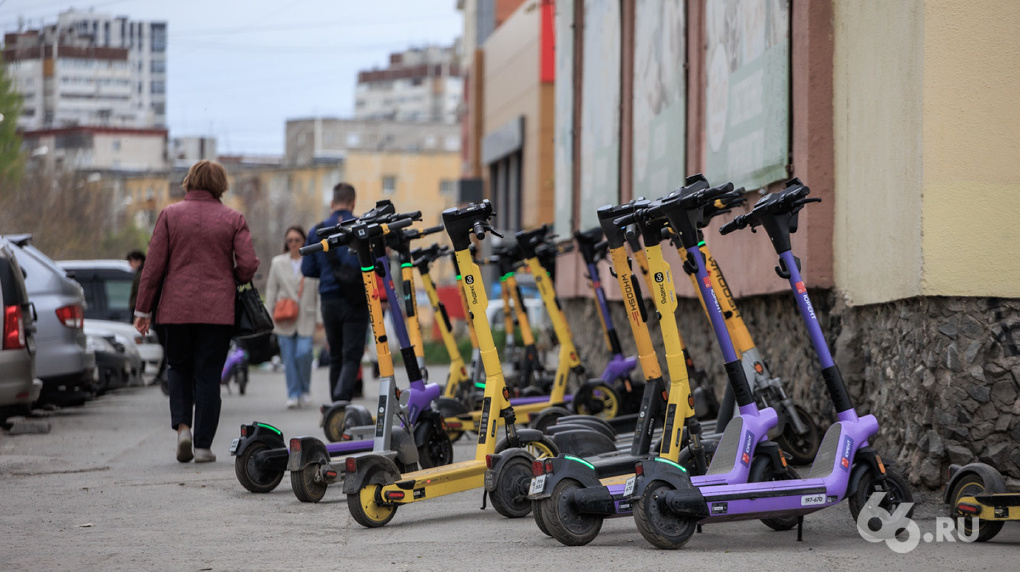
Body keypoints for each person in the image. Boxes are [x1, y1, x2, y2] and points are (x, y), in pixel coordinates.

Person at [134, 160, 259, 464]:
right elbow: (248, 264)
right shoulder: (233, 218)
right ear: (221, 185)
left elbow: (153, 266)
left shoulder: (169, 215)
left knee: (178, 368)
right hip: (217, 311)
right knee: (208, 375)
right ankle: (203, 446)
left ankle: (183, 430)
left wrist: (143, 309)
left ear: (189, 181)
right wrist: (233, 278)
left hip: (175, 309)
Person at [302, 183, 368, 403]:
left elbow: (308, 270)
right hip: (356, 300)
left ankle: (335, 410)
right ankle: (342, 400)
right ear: (353, 203)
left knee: (336, 355)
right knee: (352, 355)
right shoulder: (362, 226)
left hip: (329, 300)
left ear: (332, 203)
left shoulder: (317, 231)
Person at [265, 225, 320, 409]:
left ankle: (305, 389)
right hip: (283, 317)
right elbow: (272, 289)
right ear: (286, 243)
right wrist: (267, 316)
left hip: (307, 315)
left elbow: (318, 292)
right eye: (290, 241)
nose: (293, 244)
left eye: (297, 240)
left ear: (304, 241)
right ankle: (293, 393)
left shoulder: (312, 261)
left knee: (304, 353)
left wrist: (320, 318)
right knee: (288, 358)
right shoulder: (277, 263)